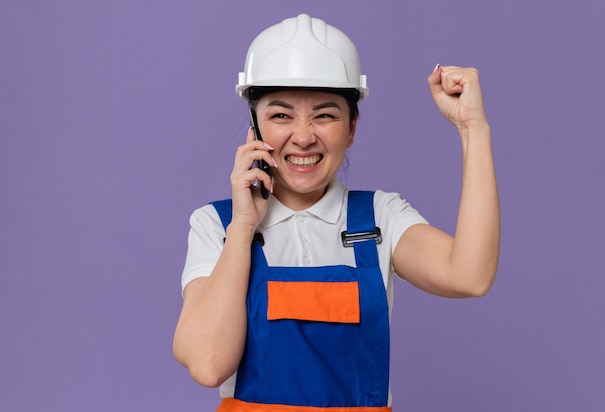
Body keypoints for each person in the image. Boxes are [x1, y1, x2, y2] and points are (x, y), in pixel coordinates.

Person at [173, 13, 499, 411]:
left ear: (352, 127)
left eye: (325, 115)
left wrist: (473, 129)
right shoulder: (216, 225)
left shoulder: (381, 219)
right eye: (280, 115)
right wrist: (243, 228)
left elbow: (470, 276)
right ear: (255, 128)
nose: (304, 136)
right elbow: (208, 366)